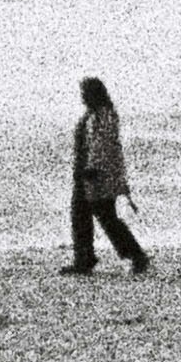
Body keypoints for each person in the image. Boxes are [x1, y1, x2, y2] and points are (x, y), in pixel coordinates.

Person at [65, 74, 150, 275]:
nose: (83, 97)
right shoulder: (99, 114)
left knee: (103, 217)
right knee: (86, 216)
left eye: (85, 93)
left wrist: (91, 170)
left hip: (95, 175)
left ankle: (134, 255)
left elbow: (101, 146)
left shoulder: (103, 115)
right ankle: (86, 257)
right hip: (89, 172)